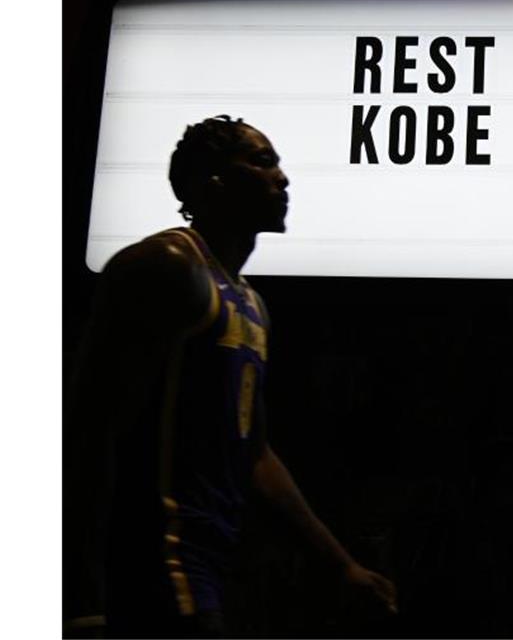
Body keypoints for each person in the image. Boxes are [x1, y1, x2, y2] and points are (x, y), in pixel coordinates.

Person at [63, 115, 397, 637]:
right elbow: (88, 426)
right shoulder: (166, 266)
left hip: (211, 564)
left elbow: (256, 454)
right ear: (212, 181)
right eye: (262, 162)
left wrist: (339, 565)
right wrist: (82, 592)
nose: (281, 177)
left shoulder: (249, 302)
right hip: (151, 563)